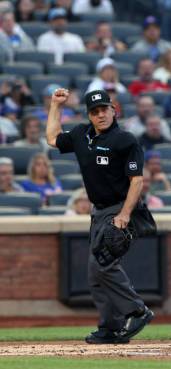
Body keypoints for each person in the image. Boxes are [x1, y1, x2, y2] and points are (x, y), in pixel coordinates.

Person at [45, 87, 155, 344]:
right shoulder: (82, 134)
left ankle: (137, 310)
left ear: (113, 110)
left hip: (119, 207)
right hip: (98, 211)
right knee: (95, 274)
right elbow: (52, 138)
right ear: (89, 115)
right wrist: (55, 106)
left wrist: (125, 215)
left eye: (104, 109)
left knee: (101, 265)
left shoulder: (125, 139)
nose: (100, 114)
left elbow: (137, 181)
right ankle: (110, 328)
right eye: (95, 111)